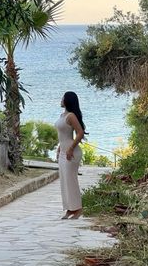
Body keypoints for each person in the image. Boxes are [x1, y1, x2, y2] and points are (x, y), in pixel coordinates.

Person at [55, 91, 87, 219]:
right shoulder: (63, 115)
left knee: (71, 181)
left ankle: (78, 209)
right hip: (63, 151)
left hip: (71, 153)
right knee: (64, 181)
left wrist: (70, 148)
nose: (61, 100)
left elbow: (80, 133)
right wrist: (59, 148)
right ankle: (69, 209)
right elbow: (62, 136)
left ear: (67, 100)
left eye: (63, 98)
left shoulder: (71, 116)